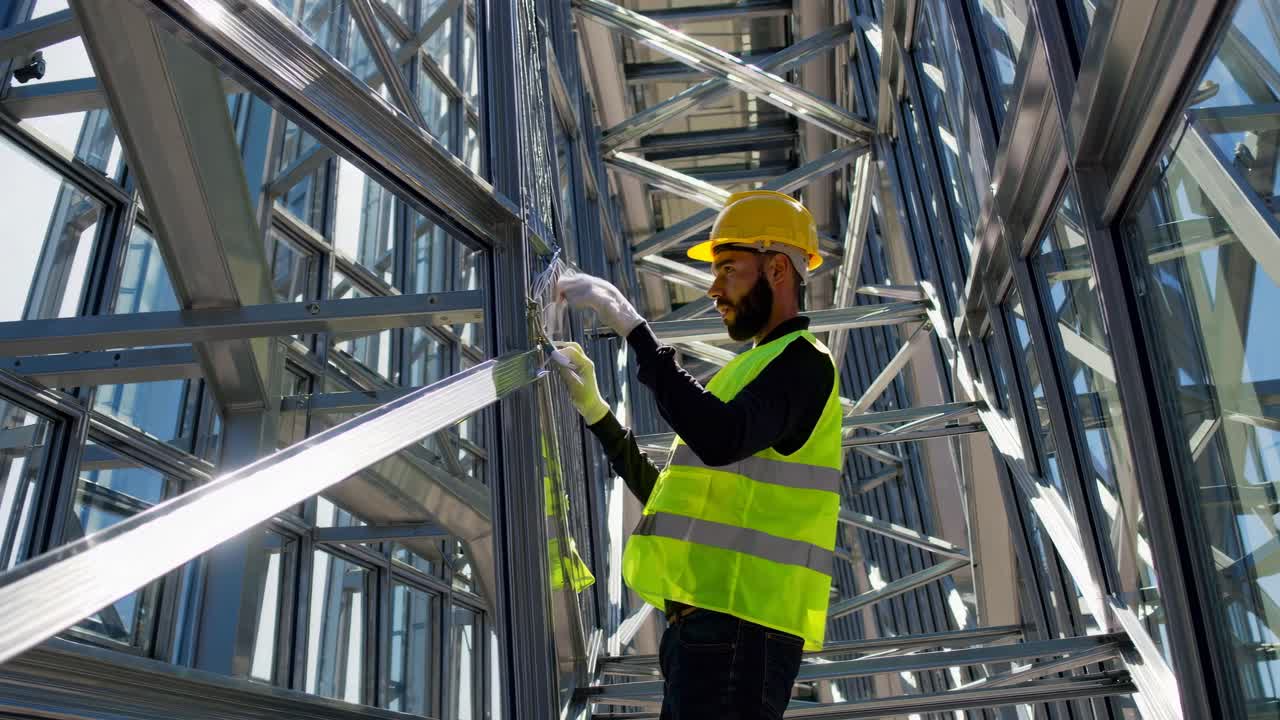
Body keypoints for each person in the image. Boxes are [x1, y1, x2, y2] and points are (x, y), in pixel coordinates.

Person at [553, 190, 842, 719]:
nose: (714, 289)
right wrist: (597, 412)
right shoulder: (754, 371)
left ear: (777, 268)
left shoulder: (805, 364)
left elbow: (718, 436)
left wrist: (633, 328)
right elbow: (672, 496)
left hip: (740, 630)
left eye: (728, 268)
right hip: (713, 631)